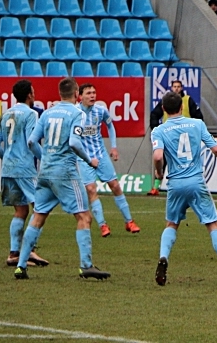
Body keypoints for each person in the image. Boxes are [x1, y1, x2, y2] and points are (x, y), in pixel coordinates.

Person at [14, 78, 110, 281]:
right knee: (84, 217)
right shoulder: (77, 113)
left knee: (38, 216)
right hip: (65, 173)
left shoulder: (48, 112)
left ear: (59, 93)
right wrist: (89, 160)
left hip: (45, 172)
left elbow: (32, 141)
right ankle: (86, 266)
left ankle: (21, 265)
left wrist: (45, 158)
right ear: (77, 93)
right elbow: (75, 142)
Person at [151, 91, 217, 286]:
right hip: (195, 181)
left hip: (175, 183)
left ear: (164, 110)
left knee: (172, 224)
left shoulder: (159, 130)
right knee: (213, 224)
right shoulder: (197, 124)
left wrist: (158, 173)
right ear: (182, 107)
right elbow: (215, 149)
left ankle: (163, 256)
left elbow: (158, 156)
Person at [0, 79, 49, 268]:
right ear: (29, 95)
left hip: (8, 168)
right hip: (24, 168)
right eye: (33, 91)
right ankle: (29, 250)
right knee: (40, 207)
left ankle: (14, 253)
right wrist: (45, 160)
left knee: (21, 210)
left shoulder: (5, 114)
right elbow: (32, 142)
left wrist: (7, 157)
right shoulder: (31, 114)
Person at [77, 83, 140, 236]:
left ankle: (129, 221)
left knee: (115, 186)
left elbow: (110, 126)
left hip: (101, 155)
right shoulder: (75, 113)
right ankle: (103, 225)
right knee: (91, 189)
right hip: (83, 158)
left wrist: (113, 147)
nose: (92, 96)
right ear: (80, 96)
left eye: (94, 92)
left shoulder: (101, 110)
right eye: (88, 93)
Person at [148, 80, 204, 196]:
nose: (177, 89)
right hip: (168, 135)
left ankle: (187, 187)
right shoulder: (166, 101)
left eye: (179, 87)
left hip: (184, 137)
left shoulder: (188, 100)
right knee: (162, 160)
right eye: (175, 86)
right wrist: (156, 129)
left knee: (184, 163)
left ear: (182, 88)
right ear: (171, 88)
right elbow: (154, 114)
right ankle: (156, 187)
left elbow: (198, 116)